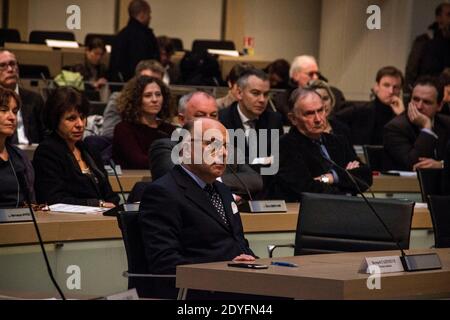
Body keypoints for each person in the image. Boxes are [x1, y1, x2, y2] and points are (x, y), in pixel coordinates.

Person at [139, 118, 255, 298]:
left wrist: (253, 263)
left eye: (226, 146)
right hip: (198, 290)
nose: (223, 152)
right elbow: (166, 262)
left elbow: (238, 243)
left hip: (236, 284)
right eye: (212, 143)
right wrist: (223, 272)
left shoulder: (223, 190)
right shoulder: (163, 193)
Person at [149, 91, 263, 197]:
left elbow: (254, 180)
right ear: (182, 119)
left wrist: (216, 183)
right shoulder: (165, 147)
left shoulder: (226, 148)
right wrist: (216, 186)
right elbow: (178, 180)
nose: (209, 120)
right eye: (200, 115)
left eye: (213, 115)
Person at [268, 88, 372, 201]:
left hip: (346, 210)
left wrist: (332, 177)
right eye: (309, 113)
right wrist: (346, 183)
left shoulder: (338, 141)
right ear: (293, 119)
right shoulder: (284, 145)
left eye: (321, 110)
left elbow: (365, 176)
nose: (318, 119)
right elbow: (306, 189)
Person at [33, 87, 119, 207]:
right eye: (71, 118)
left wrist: (112, 205)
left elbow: (110, 195)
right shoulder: (47, 152)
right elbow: (53, 198)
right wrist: (98, 204)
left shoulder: (89, 150)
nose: (79, 124)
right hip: (67, 221)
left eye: (82, 117)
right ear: (55, 120)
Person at [219, 69, 283, 168]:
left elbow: (279, 159)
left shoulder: (274, 120)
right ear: (239, 93)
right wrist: (262, 160)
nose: (262, 100)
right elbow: (227, 160)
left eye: (266, 94)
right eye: (255, 93)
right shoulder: (222, 120)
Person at [384, 76, 450, 171]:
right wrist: (427, 128)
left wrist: (442, 164)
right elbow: (414, 165)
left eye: (427, 102)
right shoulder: (395, 127)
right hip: (406, 184)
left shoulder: (447, 124)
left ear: (439, 106)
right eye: (416, 99)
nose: (419, 106)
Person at [112, 76, 176, 169]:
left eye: (158, 94)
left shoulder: (168, 129)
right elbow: (138, 161)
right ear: (136, 100)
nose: (155, 100)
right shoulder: (124, 129)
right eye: (148, 95)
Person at [335, 66, 405, 145]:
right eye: (386, 85)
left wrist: (402, 115)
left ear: (400, 91)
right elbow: (333, 122)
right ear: (376, 87)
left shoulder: (402, 115)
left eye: (396, 87)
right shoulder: (359, 110)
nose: (391, 91)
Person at [102, 60, 165, 139]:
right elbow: (109, 134)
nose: (151, 84)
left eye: (157, 81)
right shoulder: (118, 99)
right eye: (146, 79)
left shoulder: (163, 102)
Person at [273, 55, 345, 124]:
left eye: (317, 74)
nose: (315, 77)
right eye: (311, 74)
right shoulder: (281, 100)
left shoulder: (335, 95)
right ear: (295, 75)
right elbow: (273, 132)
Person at [0, 50, 45, 144]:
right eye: (3, 65)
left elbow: (46, 134)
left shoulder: (34, 99)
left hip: (32, 153)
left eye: (13, 64)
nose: (10, 69)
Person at [405, 3, 450, 96]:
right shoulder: (424, 41)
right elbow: (411, 71)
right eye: (449, 15)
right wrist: (407, 95)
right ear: (439, 18)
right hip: (426, 94)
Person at [0, 87, 35, 208]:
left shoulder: (19, 156)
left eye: (14, 111)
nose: (12, 117)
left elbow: (31, 200)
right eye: (4, 110)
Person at [109, 0, 160, 82]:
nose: (150, 17)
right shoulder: (146, 37)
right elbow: (153, 63)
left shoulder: (120, 36)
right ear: (142, 14)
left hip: (123, 86)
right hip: (144, 83)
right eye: (149, 13)